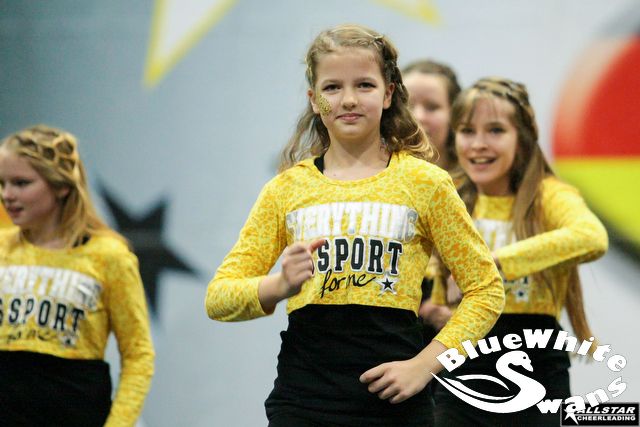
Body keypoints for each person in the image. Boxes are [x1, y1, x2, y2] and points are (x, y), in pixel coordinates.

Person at [205, 24, 504, 426]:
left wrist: (425, 366)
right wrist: (278, 285)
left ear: (388, 94)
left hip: (396, 407)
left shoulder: (426, 183)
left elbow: (486, 290)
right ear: (313, 101)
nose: (348, 99)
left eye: (364, 85)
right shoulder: (286, 189)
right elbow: (218, 298)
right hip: (303, 403)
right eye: (331, 88)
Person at [431, 77, 608, 426]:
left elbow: (592, 237)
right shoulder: (448, 194)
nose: (478, 144)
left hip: (538, 364)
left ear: (523, 138)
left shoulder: (548, 195)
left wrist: (495, 263)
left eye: (495, 130)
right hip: (463, 366)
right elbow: (435, 289)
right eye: (467, 131)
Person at [0, 125, 155, 427]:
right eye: (2, 183)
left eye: (21, 183)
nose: (7, 195)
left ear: (61, 186)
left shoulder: (108, 256)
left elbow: (138, 354)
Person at [402, 59, 463, 341]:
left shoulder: (481, 185)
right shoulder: (370, 181)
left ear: (456, 117)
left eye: (432, 107)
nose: (418, 117)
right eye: (407, 105)